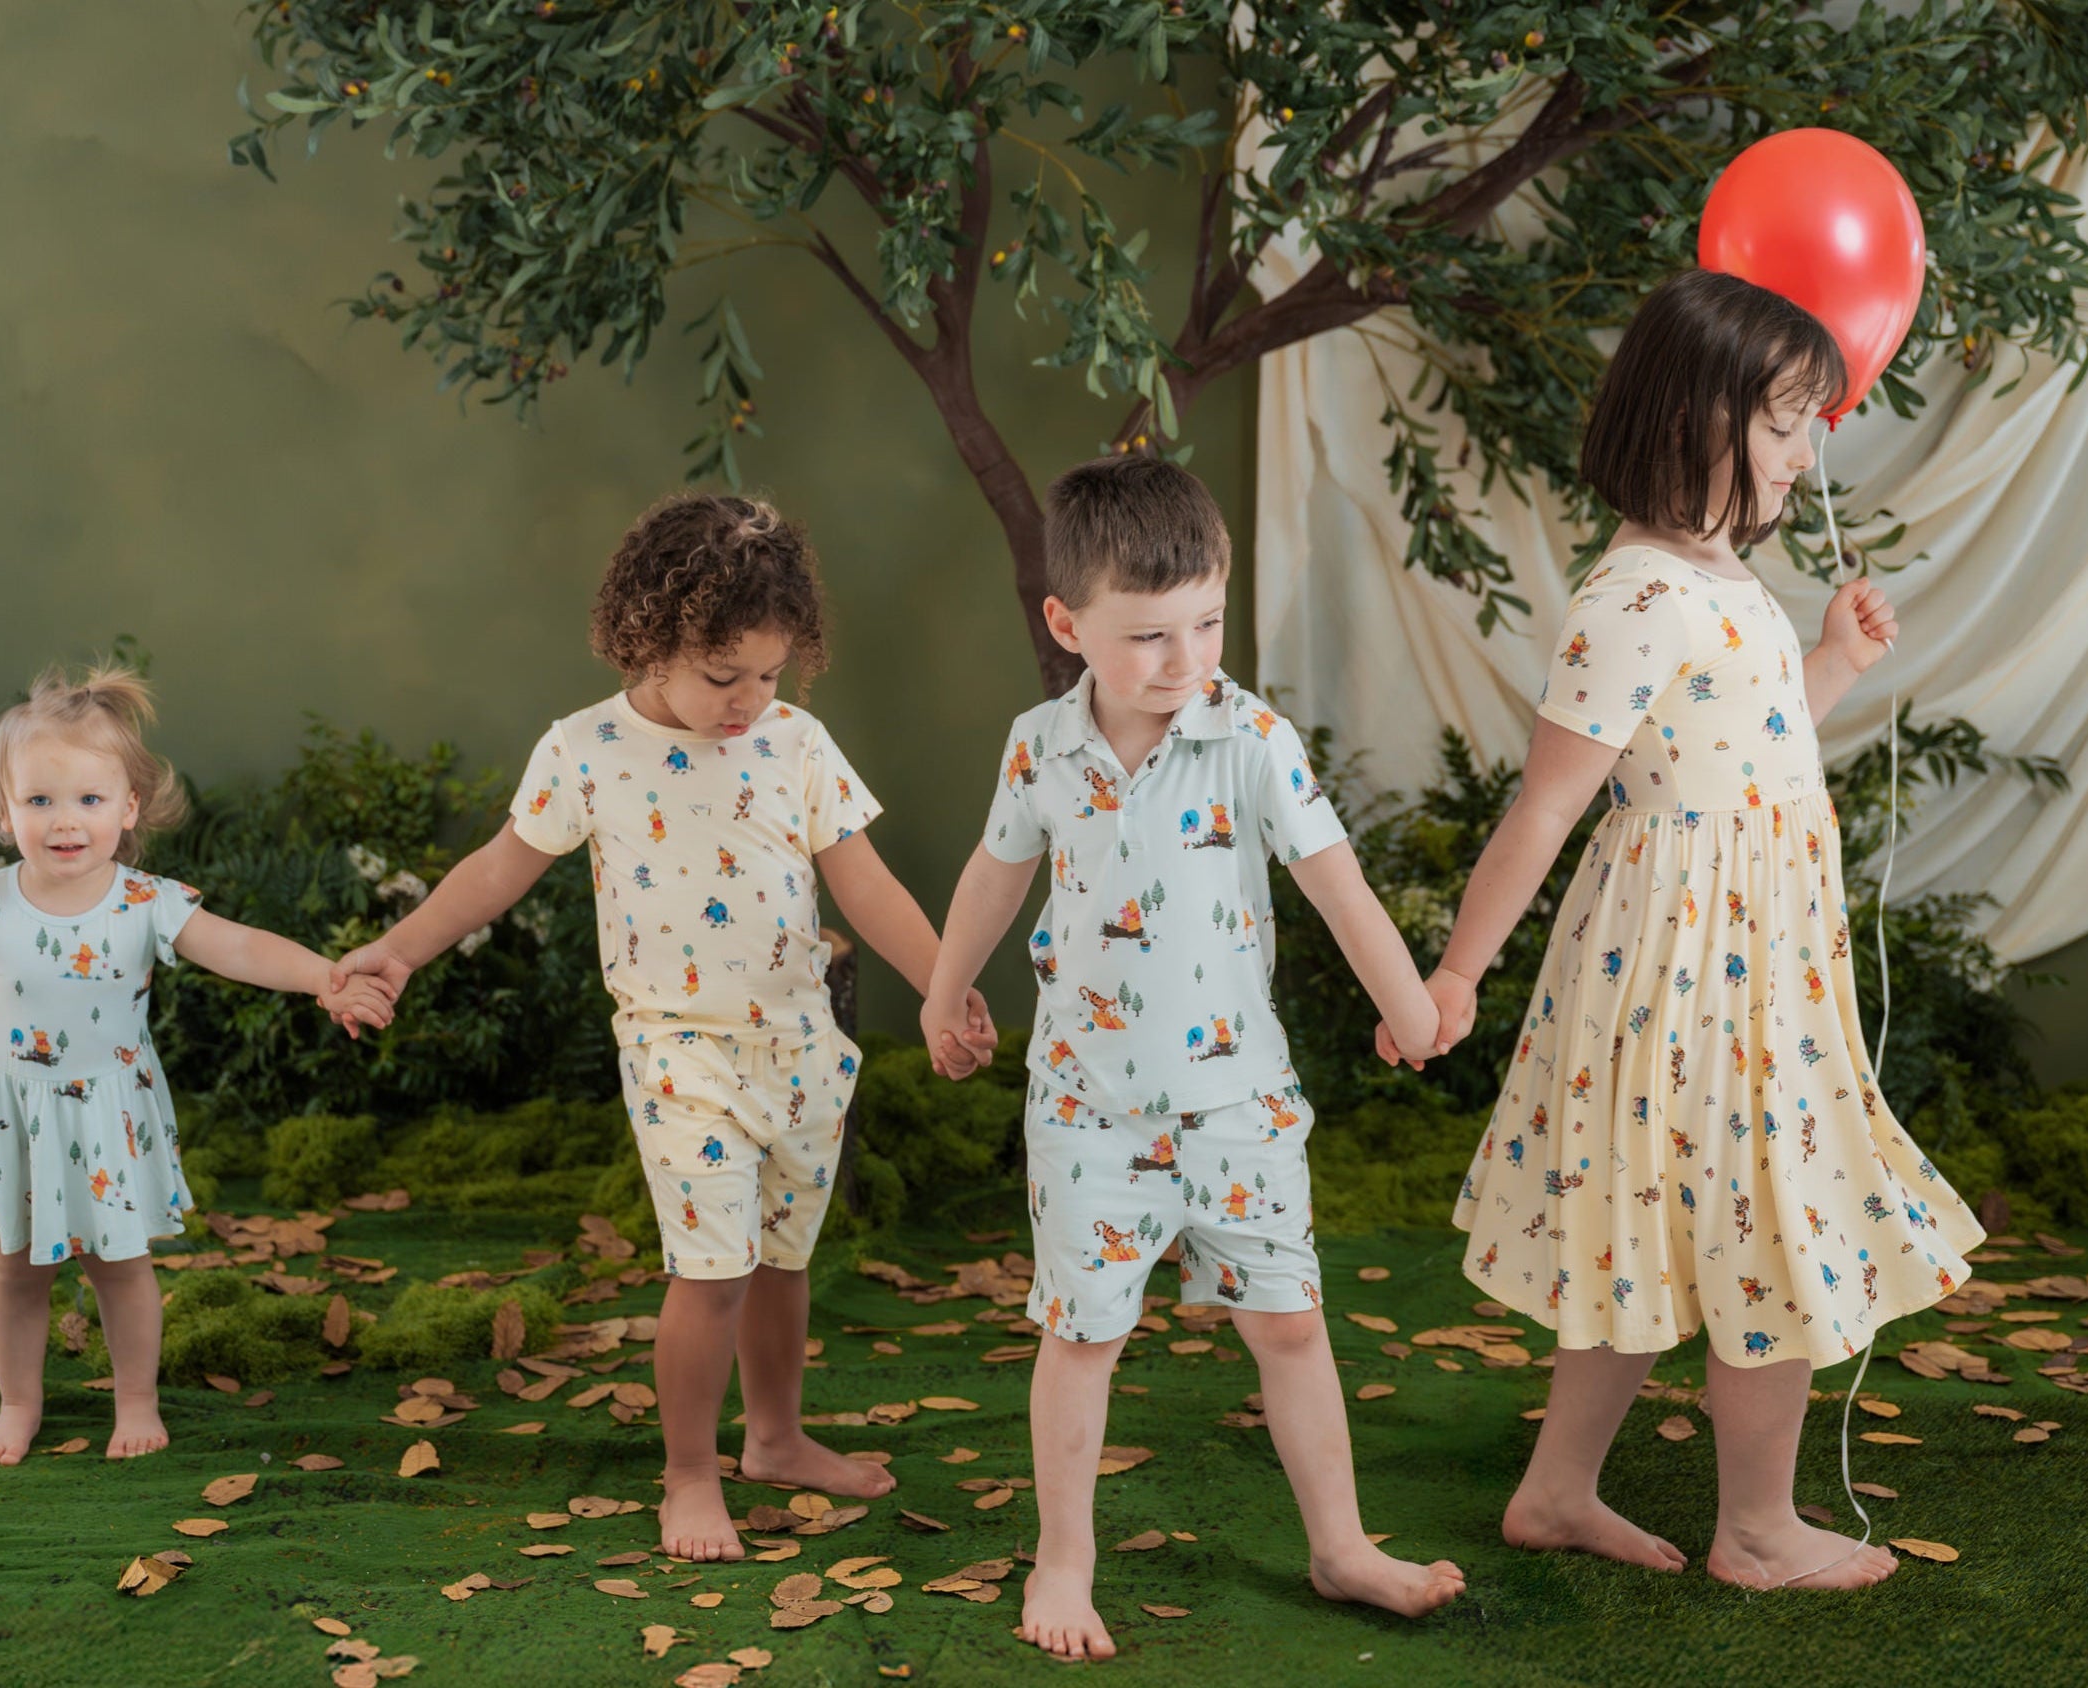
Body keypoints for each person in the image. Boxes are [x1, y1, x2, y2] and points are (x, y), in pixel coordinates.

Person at [1402, 268, 1987, 1591]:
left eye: (1809, 426)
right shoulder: (1635, 597)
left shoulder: (1722, 579)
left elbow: (1741, 751)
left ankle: (1556, 1492)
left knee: (1658, 1219)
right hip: (1685, 973)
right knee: (1767, 1215)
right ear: (1691, 418)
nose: (1804, 454)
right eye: (1782, 424)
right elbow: (1549, 805)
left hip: (1753, 962)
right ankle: (1759, 1528)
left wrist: (1830, 663)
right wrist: (1455, 970)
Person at [329, 492, 988, 1561]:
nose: (749, 700)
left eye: (770, 674)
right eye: (724, 676)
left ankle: (775, 1438)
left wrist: (942, 986)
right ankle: (690, 1472)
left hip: (800, 1048)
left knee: (781, 1263)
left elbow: (864, 885)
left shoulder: (797, 744)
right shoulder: (586, 749)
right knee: (712, 1271)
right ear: (649, 638)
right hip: (678, 1050)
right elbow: (498, 868)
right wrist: (398, 950)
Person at [921, 455, 1465, 1661]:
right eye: (1150, 635)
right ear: (1067, 624)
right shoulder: (1039, 747)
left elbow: (1337, 884)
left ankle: (1341, 1544)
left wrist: (1411, 1007)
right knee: (1083, 1338)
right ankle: (1065, 1558)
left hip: (1240, 1107)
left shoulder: (1251, 738)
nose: (1186, 660)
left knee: (1291, 1326)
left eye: (1208, 622)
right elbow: (995, 874)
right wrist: (944, 994)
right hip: (1088, 1111)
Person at [0, 665, 396, 1465]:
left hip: (106, 1120)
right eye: (39, 800)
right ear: (3, 810)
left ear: (129, 807)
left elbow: (239, 947)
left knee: (119, 1269)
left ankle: (136, 1400)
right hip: (12, 1118)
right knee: (13, 1274)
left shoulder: (143, 902)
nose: (66, 821)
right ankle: (19, 1404)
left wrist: (321, 977)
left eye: (90, 799)